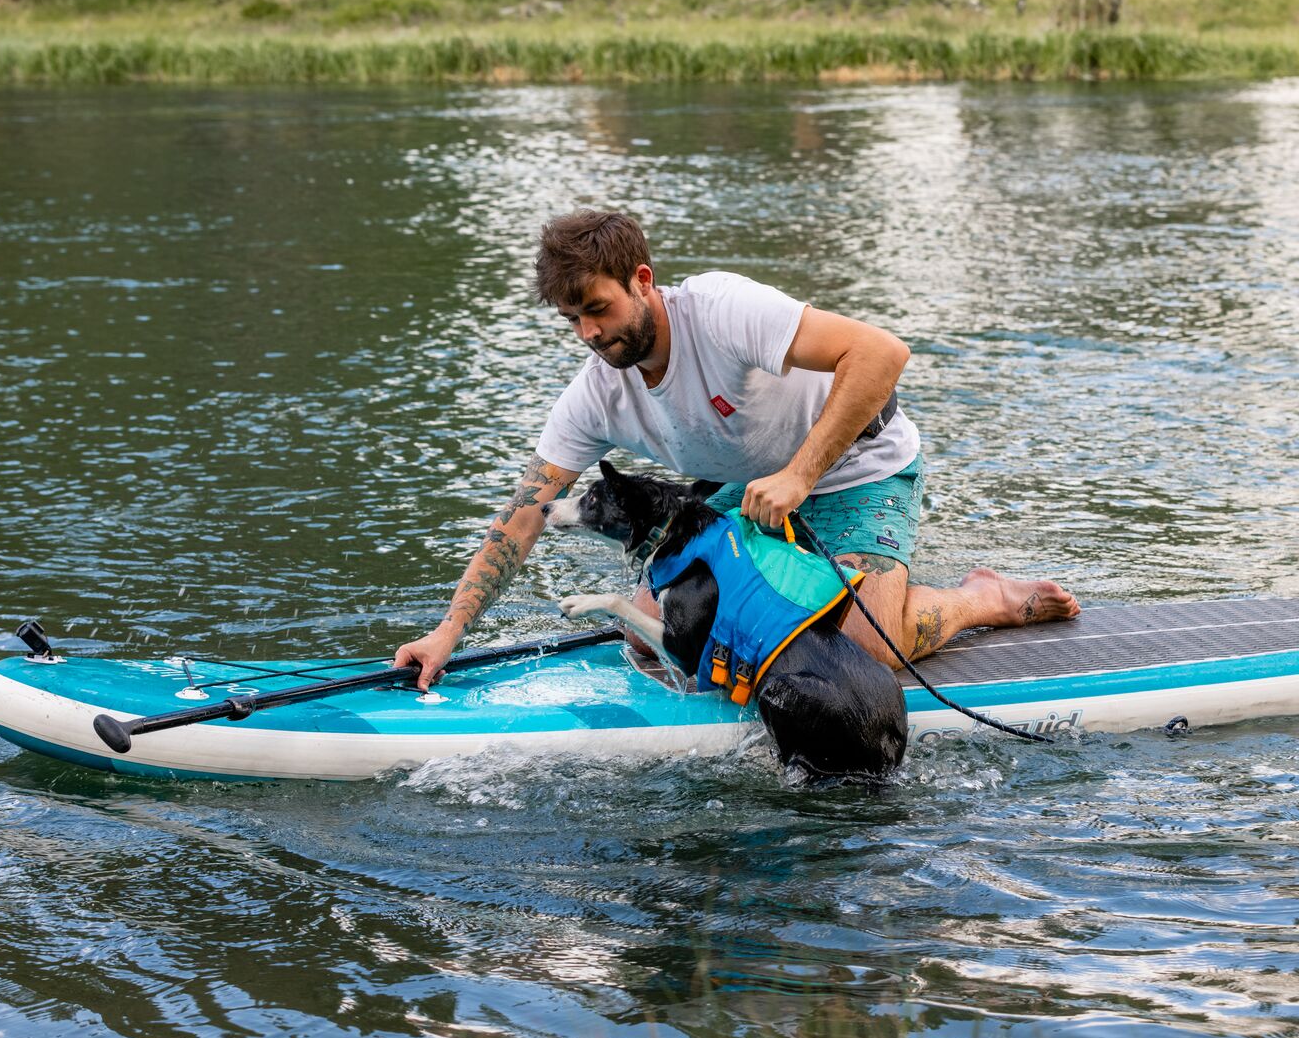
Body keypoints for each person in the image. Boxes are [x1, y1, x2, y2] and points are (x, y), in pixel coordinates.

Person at [393, 210, 1079, 691]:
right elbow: (524, 511)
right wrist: (446, 635)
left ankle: (982, 597)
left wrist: (799, 474)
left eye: (597, 308)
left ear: (641, 278)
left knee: (871, 650)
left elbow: (881, 354)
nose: (588, 334)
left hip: (861, 466)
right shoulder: (596, 393)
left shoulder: (721, 309)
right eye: (572, 319)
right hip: (758, 490)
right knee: (650, 630)